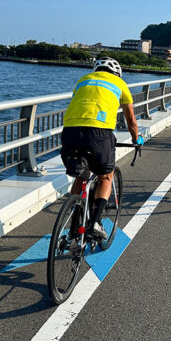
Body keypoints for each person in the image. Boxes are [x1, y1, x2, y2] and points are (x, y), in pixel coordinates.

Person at [60, 57, 143, 240]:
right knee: (106, 175)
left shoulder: (83, 80)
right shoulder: (120, 83)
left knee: (82, 175)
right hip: (99, 134)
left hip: (70, 132)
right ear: (117, 73)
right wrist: (137, 139)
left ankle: (75, 218)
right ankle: (96, 223)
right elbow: (131, 120)